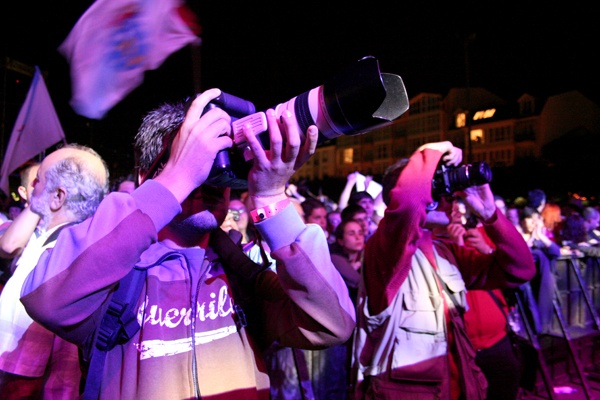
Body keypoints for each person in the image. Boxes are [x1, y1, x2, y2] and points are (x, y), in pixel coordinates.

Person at [21, 89, 356, 400]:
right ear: (146, 174)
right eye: (197, 160)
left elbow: (334, 324)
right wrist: (175, 180)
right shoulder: (115, 274)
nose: (210, 177)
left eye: (217, 161)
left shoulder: (238, 274)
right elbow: (46, 299)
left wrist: (271, 198)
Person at [351, 141, 536, 400]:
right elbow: (407, 202)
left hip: (459, 389)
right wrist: (435, 150)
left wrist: (490, 215)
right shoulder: (384, 252)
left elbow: (520, 270)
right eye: (444, 194)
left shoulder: (445, 252)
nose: (454, 204)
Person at [0, 144, 109, 399]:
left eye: (39, 181)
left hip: (19, 377)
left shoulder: (52, 256)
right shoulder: (71, 244)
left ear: (58, 197)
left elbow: (58, 366)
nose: (32, 189)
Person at [446, 197, 525, 400]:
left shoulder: (482, 235)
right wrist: (457, 247)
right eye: (451, 208)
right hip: (460, 350)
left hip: (498, 341)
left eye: (460, 208)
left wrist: (486, 249)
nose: (457, 213)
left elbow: (517, 273)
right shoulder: (438, 244)